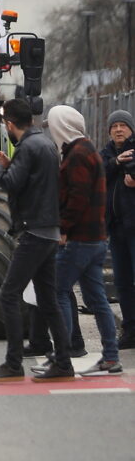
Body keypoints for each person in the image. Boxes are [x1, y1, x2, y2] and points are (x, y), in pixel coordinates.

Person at [0, 98, 75, 383]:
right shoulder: (43, 144)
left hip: (33, 231)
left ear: (9, 124)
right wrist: (11, 164)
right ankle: (63, 363)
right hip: (49, 230)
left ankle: (13, 363)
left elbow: (9, 185)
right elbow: (32, 181)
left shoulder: (28, 147)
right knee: (48, 299)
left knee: (8, 294)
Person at [33, 106, 121, 376]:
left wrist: (64, 229)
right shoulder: (86, 150)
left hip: (80, 239)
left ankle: (62, 356)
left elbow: (78, 197)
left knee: (57, 292)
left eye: (53, 125)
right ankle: (110, 357)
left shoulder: (78, 155)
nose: (51, 131)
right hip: (95, 238)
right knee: (97, 300)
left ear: (63, 125)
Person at [100, 109, 135, 350]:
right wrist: (115, 163)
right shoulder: (105, 154)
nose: (119, 129)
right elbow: (96, 174)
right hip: (116, 227)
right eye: (114, 126)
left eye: (123, 125)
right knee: (122, 282)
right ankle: (130, 329)